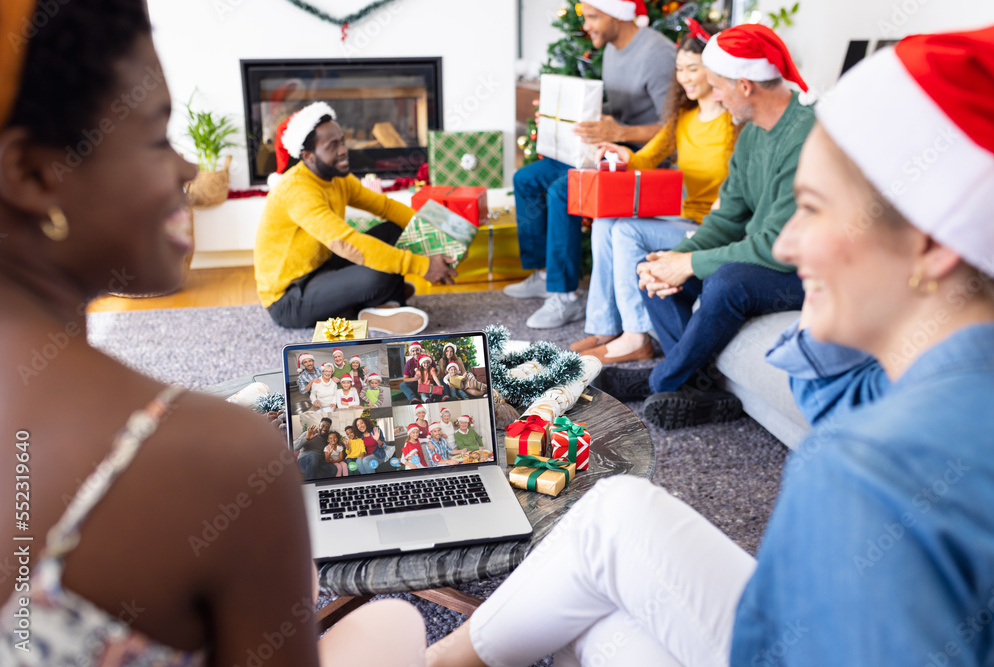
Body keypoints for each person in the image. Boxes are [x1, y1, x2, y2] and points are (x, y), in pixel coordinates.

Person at [424, 24, 994, 667]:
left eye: (814, 208)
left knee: (588, 610)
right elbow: (834, 382)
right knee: (597, 580)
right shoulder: (935, 384)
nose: (788, 244)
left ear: (932, 243)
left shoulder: (870, 472)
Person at [0, 2, 426, 664]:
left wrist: (415, 225)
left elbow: (378, 212)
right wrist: (416, 263)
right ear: (31, 174)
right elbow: (348, 241)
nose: (185, 172)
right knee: (397, 622)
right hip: (292, 300)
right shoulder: (222, 457)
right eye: (154, 137)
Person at [627, 23, 815, 429]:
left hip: (808, 270)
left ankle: (658, 381)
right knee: (653, 265)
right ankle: (697, 389)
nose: (712, 97)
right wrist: (678, 258)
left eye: (717, 86)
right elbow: (728, 217)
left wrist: (691, 265)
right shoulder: (751, 136)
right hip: (772, 256)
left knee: (728, 282)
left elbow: (776, 245)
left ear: (744, 86)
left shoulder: (804, 136)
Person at [573, 20, 739, 363]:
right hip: (685, 213)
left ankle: (637, 337)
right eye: (680, 69)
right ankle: (605, 326)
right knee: (606, 223)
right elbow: (648, 157)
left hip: (712, 225)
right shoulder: (684, 116)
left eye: (693, 69)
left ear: (714, 70)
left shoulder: (735, 121)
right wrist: (624, 154)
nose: (684, 77)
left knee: (628, 230)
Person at [505, 0, 677, 329]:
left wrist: (621, 131)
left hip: (640, 159)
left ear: (617, 14)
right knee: (527, 179)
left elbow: (674, 128)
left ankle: (565, 296)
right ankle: (543, 273)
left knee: (562, 190)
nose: (588, 26)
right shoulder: (613, 47)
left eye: (594, 17)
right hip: (608, 148)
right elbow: (621, 105)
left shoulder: (657, 53)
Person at [254, 100, 456, 333]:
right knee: (378, 271)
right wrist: (422, 266)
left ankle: (380, 301)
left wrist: (439, 238)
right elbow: (348, 243)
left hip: (321, 269)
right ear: (308, 156)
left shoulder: (336, 177)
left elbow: (385, 206)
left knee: (392, 231)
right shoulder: (298, 190)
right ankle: (373, 302)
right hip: (288, 299)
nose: (343, 150)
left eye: (342, 141)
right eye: (332, 146)